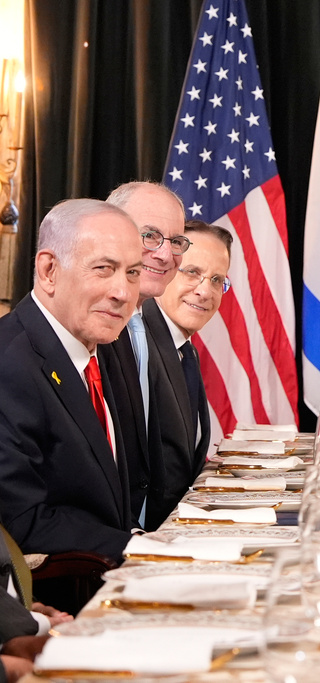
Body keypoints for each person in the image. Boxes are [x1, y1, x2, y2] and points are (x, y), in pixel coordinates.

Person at [0, 199, 141, 559]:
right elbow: (23, 524)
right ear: (49, 270)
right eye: (103, 268)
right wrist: (144, 549)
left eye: (132, 273)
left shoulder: (101, 347)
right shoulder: (9, 364)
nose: (122, 292)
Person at [101, 182, 188, 531]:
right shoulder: (93, 326)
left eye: (177, 241)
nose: (165, 255)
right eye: (150, 235)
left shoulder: (151, 323)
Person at [144, 220, 233, 522]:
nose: (205, 291)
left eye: (217, 280)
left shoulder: (185, 349)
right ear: (165, 270)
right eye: (193, 272)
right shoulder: (135, 345)